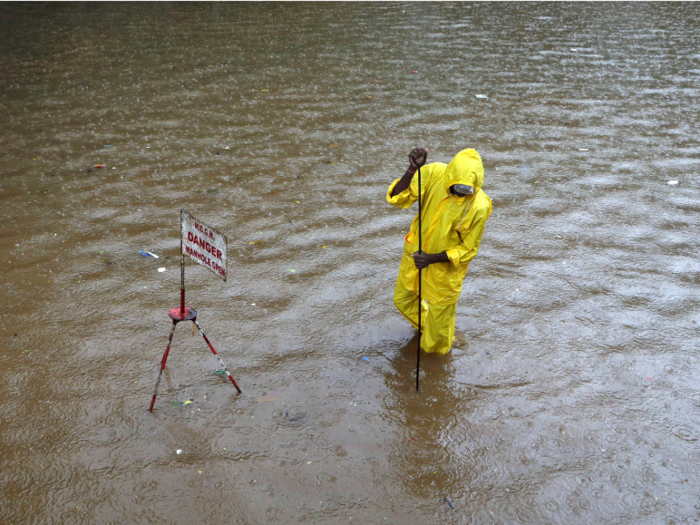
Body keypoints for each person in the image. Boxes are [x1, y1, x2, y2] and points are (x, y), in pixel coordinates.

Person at [387, 147, 492, 354]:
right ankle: (441, 333)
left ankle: (438, 354)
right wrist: (411, 170)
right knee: (402, 299)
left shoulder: (479, 206)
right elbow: (399, 199)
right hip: (416, 257)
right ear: (450, 175)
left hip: (445, 271)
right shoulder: (434, 173)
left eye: (466, 189)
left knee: (434, 346)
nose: (460, 193)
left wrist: (432, 259)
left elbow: (468, 249)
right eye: (456, 187)